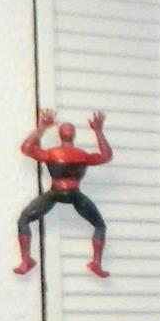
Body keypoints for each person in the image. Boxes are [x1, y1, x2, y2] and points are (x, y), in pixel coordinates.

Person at [16, 109, 114, 278]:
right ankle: (96, 262)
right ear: (73, 136)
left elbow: (26, 148)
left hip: (56, 192)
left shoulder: (52, 153)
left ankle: (26, 260)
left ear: (60, 135)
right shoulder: (82, 155)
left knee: (24, 219)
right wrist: (98, 131)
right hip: (74, 193)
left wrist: (42, 127)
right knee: (99, 225)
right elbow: (106, 156)